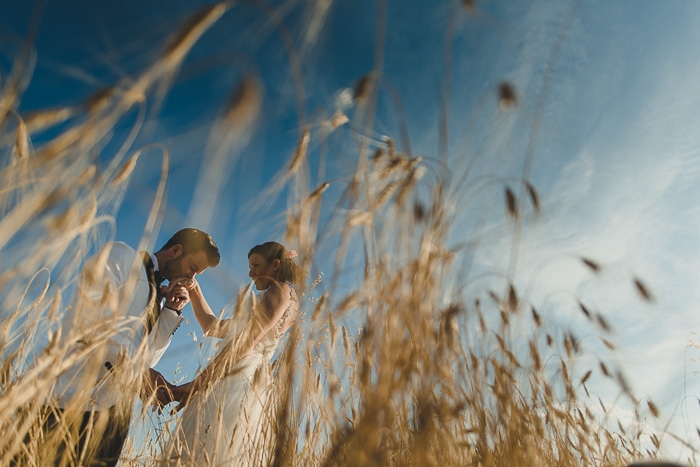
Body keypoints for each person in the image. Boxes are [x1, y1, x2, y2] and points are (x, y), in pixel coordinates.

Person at [36, 228, 220, 467]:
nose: (192, 278)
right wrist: (140, 373)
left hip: (113, 418)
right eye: (193, 268)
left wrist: (171, 311)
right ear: (176, 250)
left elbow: (148, 358)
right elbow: (92, 323)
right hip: (66, 400)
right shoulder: (122, 257)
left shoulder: (161, 296)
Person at [166, 241, 306, 467]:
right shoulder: (270, 297)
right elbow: (213, 327)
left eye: (256, 266)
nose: (250, 273)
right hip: (230, 375)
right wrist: (194, 289)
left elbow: (246, 343)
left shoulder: (281, 292)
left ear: (276, 265)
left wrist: (198, 383)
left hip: (239, 382)